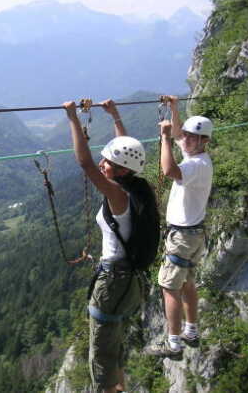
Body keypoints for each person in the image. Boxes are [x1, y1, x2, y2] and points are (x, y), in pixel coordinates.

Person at [64, 99, 158, 393]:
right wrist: (115, 116)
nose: (102, 163)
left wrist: (71, 116)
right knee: (112, 346)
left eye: (108, 161)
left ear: (119, 170)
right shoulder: (138, 187)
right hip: (128, 281)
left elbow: (84, 163)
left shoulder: (118, 195)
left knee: (101, 352)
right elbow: (126, 148)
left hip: (114, 281)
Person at [146, 95, 213, 360]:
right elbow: (178, 133)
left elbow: (169, 169)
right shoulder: (197, 155)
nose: (184, 139)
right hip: (193, 234)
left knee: (170, 288)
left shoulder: (196, 165)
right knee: (187, 283)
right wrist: (174, 109)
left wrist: (163, 139)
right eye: (184, 135)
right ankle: (191, 330)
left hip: (183, 236)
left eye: (190, 137)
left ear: (204, 141)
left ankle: (173, 344)